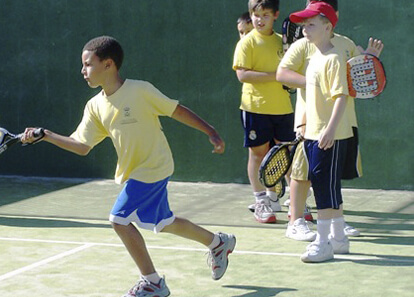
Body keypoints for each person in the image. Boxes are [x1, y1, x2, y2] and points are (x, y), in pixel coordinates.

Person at [20, 36, 235, 297]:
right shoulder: (95, 106)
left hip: (154, 166)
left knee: (119, 220)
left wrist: (209, 130)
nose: (82, 71)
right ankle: (218, 243)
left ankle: (152, 282)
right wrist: (47, 135)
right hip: (134, 171)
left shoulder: (140, 90)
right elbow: (81, 145)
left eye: (88, 64)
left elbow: (175, 110)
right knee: (163, 223)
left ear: (108, 64)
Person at [277, 0, 384, 241]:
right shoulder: (303, 46)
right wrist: (315, 84)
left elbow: (354, 75)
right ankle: (296, 221)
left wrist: (369, 57)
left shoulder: (344, 45)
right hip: (310, 120)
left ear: (331, 17)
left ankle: (337, 223)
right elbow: (281, 74)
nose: (306, 25)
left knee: (331, 174)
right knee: (301, 173)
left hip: (341, 122)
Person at [287, 2, 353, 262]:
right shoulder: (313, 58)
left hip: (329, 136)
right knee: (327, 185)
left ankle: (322, 242)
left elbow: (341, 97)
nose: (305, 29)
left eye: (311, 24)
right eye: (304, 24)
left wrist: (329, 129)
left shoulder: (335, 58)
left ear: (328, 27)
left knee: (324, 189)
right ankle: (339, 238)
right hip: (312, 133)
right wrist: (304, 124)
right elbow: (309, 97)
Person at [232, 0, 294, 223]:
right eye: (256, 15)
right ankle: (261, 201)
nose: (260, 20)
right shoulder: (246, 43)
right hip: (254, 108)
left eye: (265, 15)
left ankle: (295, 201)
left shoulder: (283, 42)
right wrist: (276, 76)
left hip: (283, 108)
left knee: (286, 154)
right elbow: (243, 75)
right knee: (257, 155)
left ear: (275, 15)